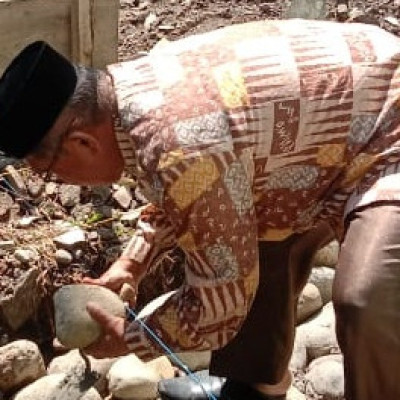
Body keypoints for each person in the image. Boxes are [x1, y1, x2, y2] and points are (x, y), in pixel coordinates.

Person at [0, 18, 399, 400]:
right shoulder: (125, 97)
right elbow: (195, 204)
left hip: (387, 126)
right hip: (320, 140)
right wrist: (132, 264)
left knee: (367, 300)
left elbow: (220, 301)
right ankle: (257, 389)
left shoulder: (179, 144)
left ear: (84, 143)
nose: (59, 183)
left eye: (51, 171)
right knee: (247, 232)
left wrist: (133, 337)